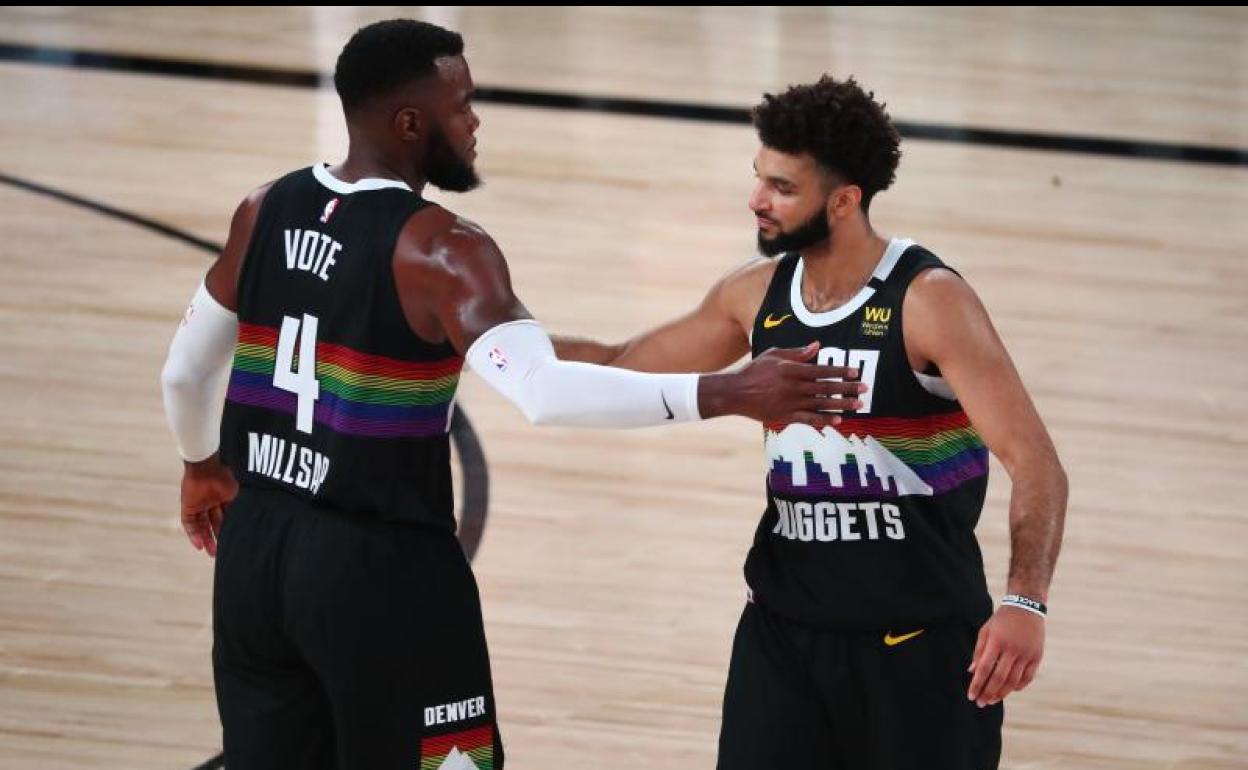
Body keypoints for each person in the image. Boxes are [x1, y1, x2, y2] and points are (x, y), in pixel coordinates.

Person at [158, 20, 864, 770]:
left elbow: (184, 372)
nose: (474, 120)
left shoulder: (265, 207)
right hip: (378, 570)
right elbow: (544, 393)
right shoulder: (442, 249)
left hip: (255, 554)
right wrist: (731, 390)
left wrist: (200, 465)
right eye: (460, 103)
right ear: (409, 123)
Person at [555, 75, 1068, 769]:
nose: (756, 200)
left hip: (918, 645)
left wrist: (1025, 602)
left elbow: (1034, 461)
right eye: (758, 178)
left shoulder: (929, 300)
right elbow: (622, 363)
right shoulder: (755, 294)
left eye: (782, 187)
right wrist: (480, 338)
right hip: (783, 637)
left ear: (845, 199)